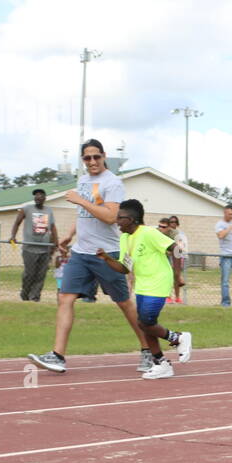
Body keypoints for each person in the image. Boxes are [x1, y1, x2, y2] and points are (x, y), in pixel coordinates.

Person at [27, 141, 149, 374]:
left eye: (96, 157)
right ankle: (57, 356)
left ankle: (148, 350)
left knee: (124, 303)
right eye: (87, 158)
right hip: (81, 252)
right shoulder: (82, 180)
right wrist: (69, 235)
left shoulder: (113, 183)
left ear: (104, 156)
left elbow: (111, 216)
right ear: (82, 160)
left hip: (106, 253)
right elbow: (83, 214)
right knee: (65, 298)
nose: (92, 162)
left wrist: (81, 200)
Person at [95, 199, 192, 380]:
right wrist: (106, 258)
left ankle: (178, 338)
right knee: (145, 324)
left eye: (120, 218)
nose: (116, 221)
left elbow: (176, 249)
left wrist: (178, 275)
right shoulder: (125, 238)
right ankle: (161, 363)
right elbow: (125, 268)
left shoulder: (148, 233)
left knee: (145, 322)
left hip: (158, 282)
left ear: (131, 219)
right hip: (142, 285)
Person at [11, 189, 59, 302]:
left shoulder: (49, 210)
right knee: (29, 273)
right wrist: (13, 236)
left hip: (44, 248)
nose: (38, 197)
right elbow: (17, 222)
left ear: (44, 198)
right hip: (30, 247)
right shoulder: (27, 208)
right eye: (36, 196)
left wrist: (55, 241)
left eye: (40, 195)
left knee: (41, 275)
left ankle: (35, 297)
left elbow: (52, 227)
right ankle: (25, 294)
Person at [168, 216, 188, 303]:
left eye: (175, 222)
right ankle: (168, 297)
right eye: (171, 222)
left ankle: (177, 297)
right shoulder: (166, 233)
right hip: (167, 256)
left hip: (177, 257)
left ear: (177, 223)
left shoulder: (181, 234)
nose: (173, 223)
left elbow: (182, 246)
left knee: (177, 277)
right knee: (168, 278)